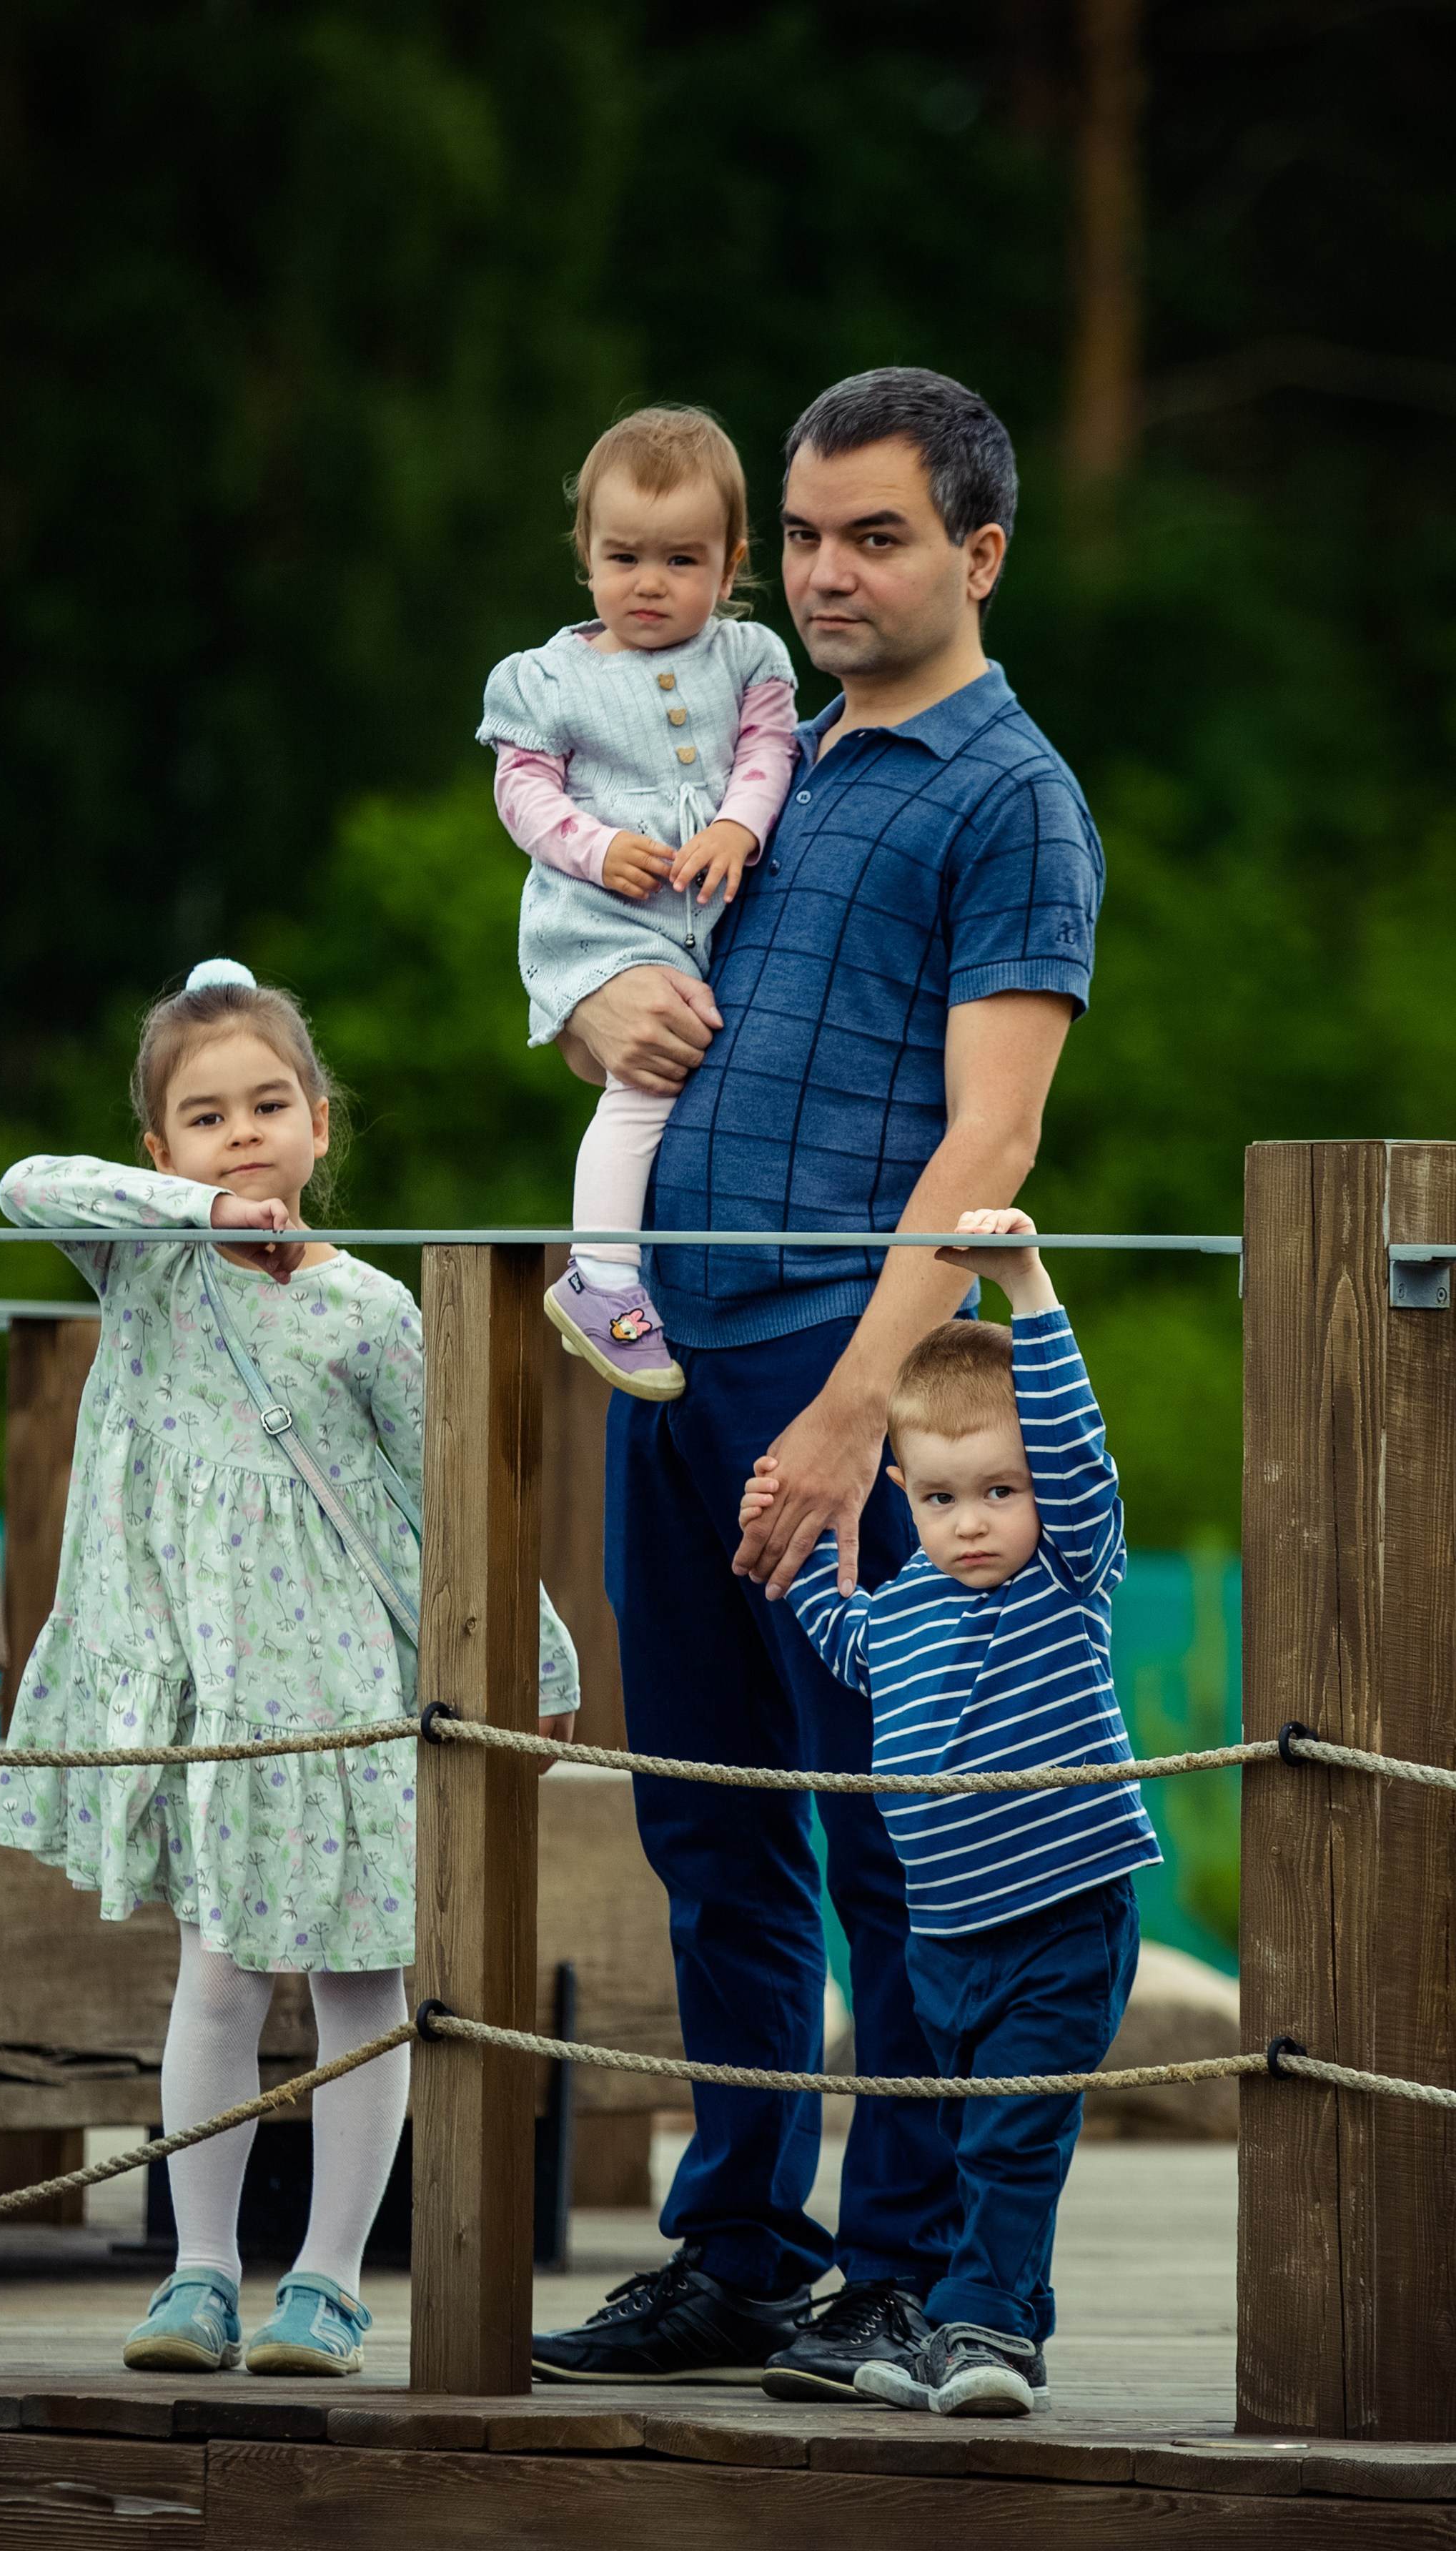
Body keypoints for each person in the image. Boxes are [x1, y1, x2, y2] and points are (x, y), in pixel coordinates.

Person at [530, 367, 1104, 2392]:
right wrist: (594, 1011)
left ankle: (907, 2267)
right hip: (677, 1353)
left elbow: (992, 1142)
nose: (826, 570)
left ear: (979, 551)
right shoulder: (751, 746)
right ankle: (742, 2250)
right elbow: (592, 941)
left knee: (893, 1833)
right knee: (710, 1824)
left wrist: (856, 1408)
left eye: (876, 535)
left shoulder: (1009, 796)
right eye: (801, 534)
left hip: (847, 1361)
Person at [0, 959, 579, 2379]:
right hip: (213, 1701)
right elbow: (25, 1185)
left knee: (366, 1984)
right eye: (205, 1118)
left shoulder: (369, 1310)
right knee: (219, 1978)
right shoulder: (145, 1266)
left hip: (343, 1705)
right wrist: (196, 1214)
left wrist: (539, 1655)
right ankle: (198, 2273)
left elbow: (449, 1500)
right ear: (161, 1150)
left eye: (267, 1106)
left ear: (320, 1123)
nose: (241, 1134)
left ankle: (327, 2283)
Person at [743, 1208, 1159, 2416]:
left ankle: (982, 2330)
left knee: (1011, 2138)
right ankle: (985, 2324)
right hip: (943, 1937)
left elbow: (1074, 1449)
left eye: (999, 1491)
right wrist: (788, 1541)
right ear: (904, 1497)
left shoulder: (1064, 1573)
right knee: (974, 2142)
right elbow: (843, 1642)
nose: (970, 1521)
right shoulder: (905, 1604)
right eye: (938, 1498)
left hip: (1057, 1917)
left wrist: (1025, 1286)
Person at [478, 405, 797, 1401]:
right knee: (645, 1082)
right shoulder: (546, 678)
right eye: (623, 557)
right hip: (603, 920)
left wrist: (738, 827)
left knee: (692, 1064)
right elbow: (523, 793)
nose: (648, 583)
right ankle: (601, 1275)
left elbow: (770, 753)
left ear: (730, 564)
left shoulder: (750, 659)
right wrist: (599, 845)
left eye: (680, 560)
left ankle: (647, 1266)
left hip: (710, 914)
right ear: (585, 553)